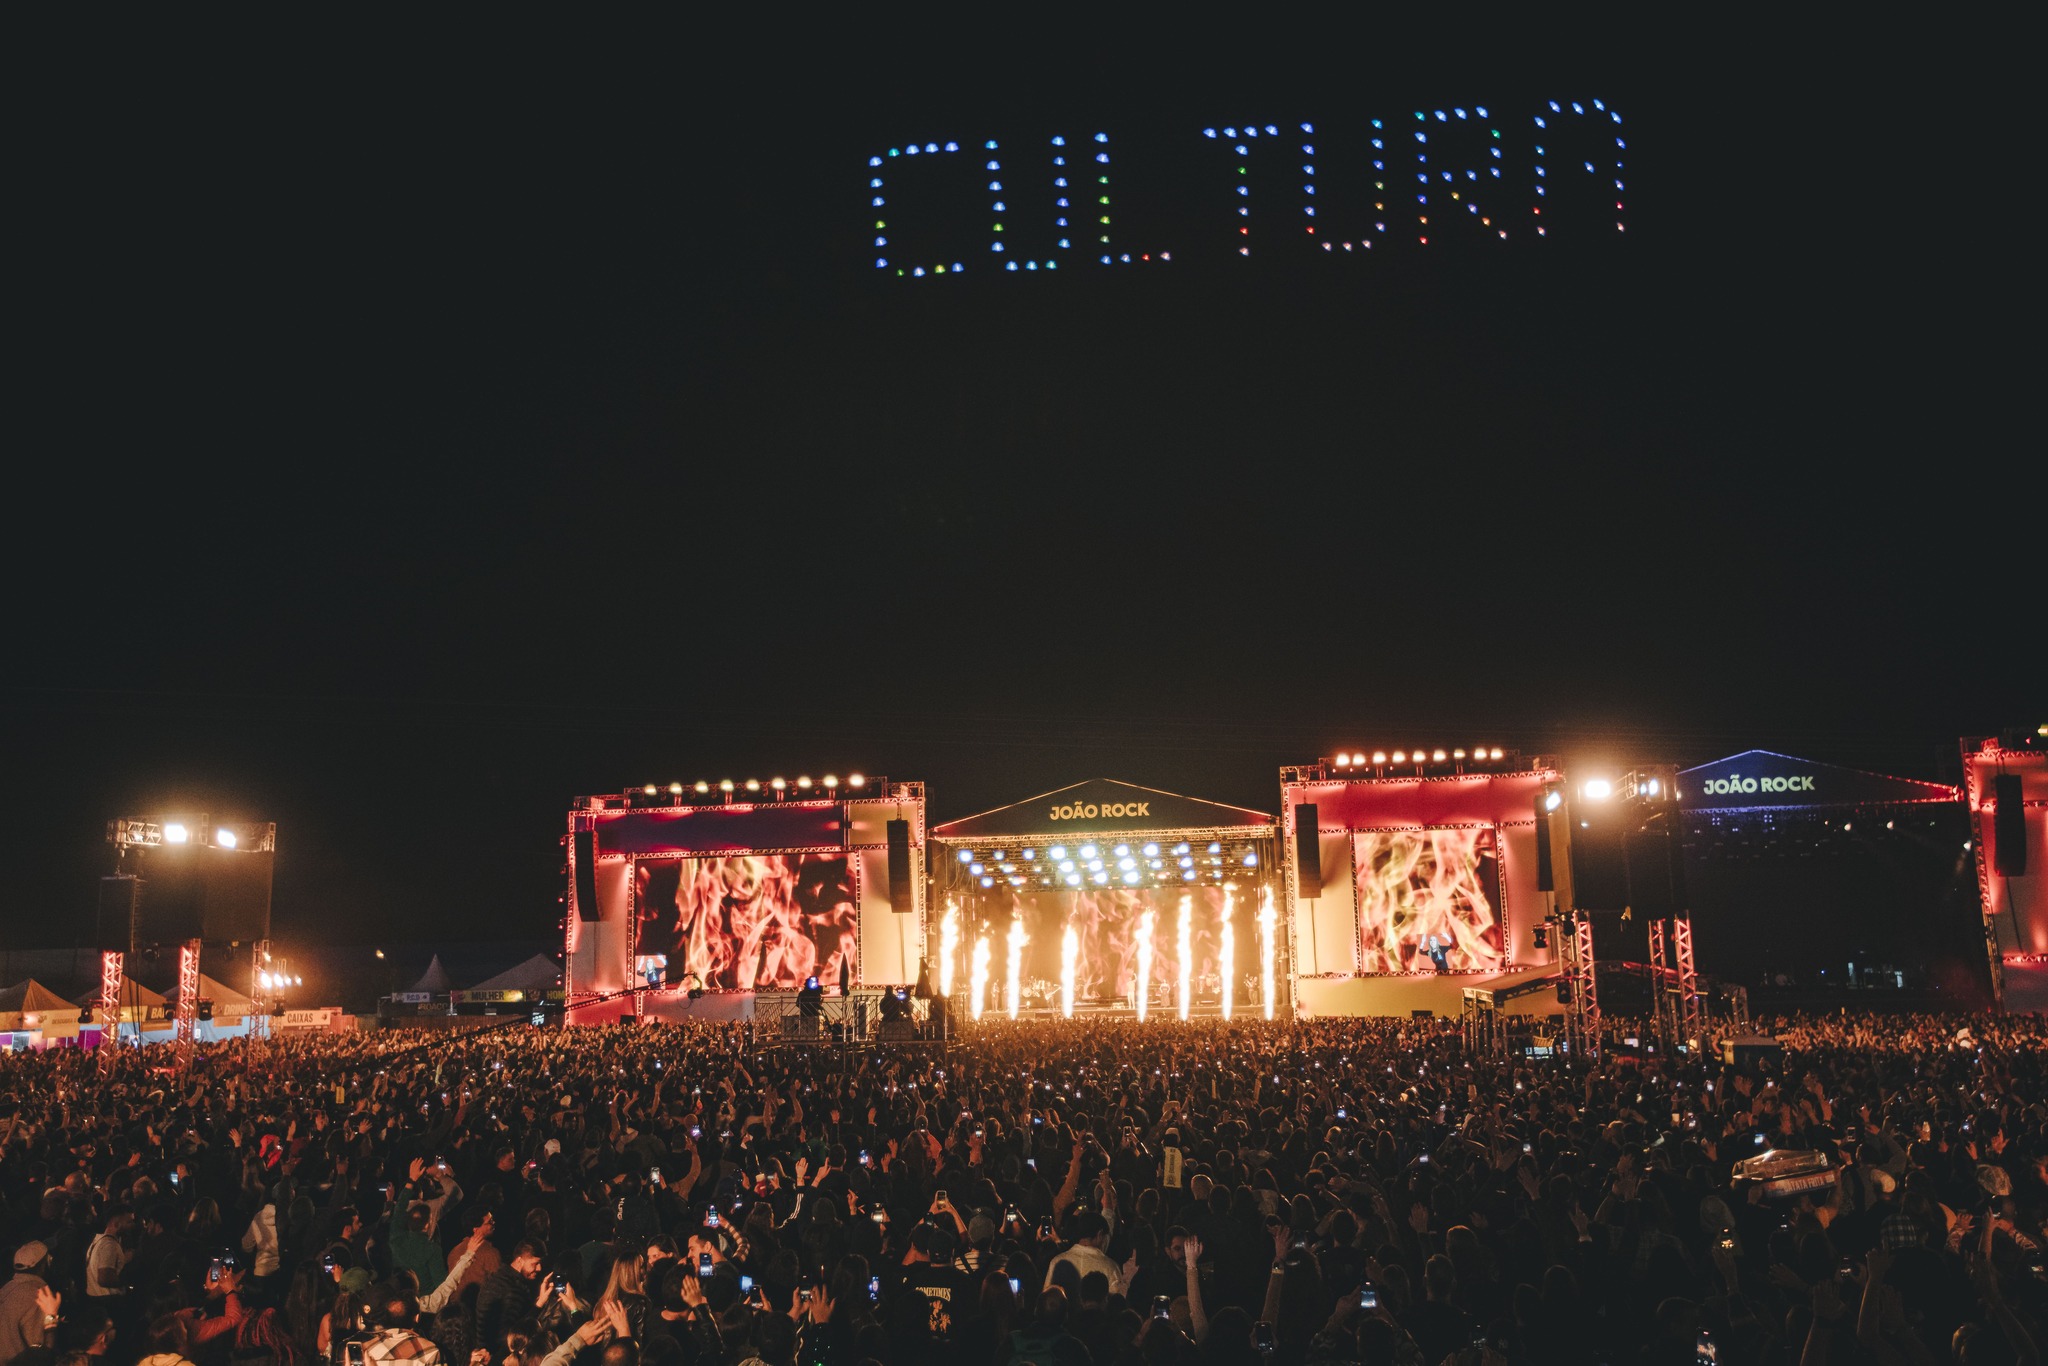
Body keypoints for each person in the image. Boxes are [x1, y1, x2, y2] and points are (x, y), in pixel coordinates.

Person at [0, 1244, 62, 1366]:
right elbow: (40, 1352)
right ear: (44, 1265)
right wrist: (52, 1318)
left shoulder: (6, 1288)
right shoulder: (40, 1295)